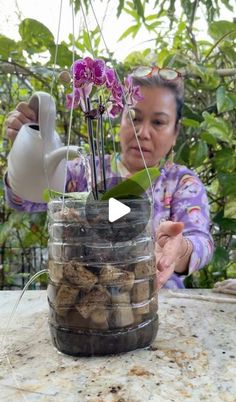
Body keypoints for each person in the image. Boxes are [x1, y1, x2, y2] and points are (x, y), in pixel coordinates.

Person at [4, 68, 214, 289]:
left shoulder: (181, 183)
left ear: (175, 131)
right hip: (85, 299)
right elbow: (25, 200)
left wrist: (179, 249)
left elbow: (202, 242)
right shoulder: (83, 170)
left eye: (158, 122)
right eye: (134, 117)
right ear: (120, 117)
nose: (142, 132)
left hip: (156, 298)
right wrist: (27, 152)